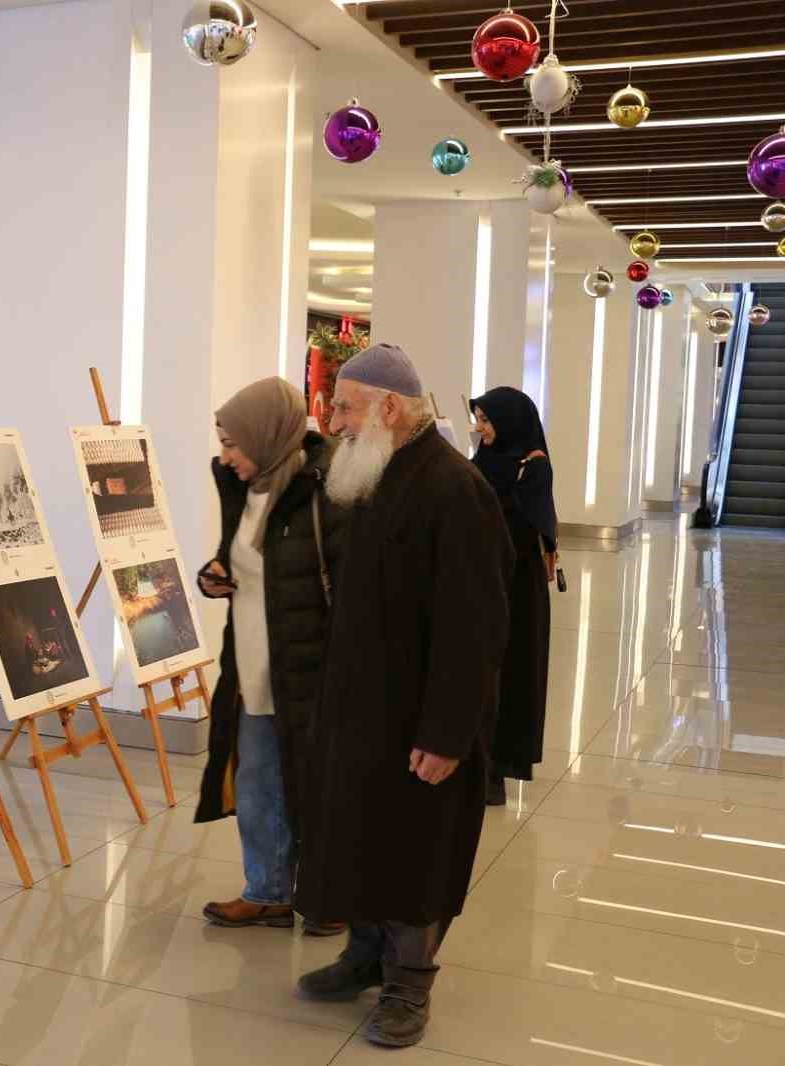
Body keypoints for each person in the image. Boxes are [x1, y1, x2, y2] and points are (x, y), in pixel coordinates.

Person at [295, 344, 513, 1048]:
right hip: (361, 710)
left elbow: (473, 629)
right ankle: (364, 956)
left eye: (347, 408)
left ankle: (407, 985)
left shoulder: (455, 490)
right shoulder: (380, 472)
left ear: (390, 408)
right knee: (358, 835)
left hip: (422, 718)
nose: (334, 422)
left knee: (416, 850)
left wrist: (448, 734)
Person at [194, 377, 349, 937]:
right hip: (253, 664)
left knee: (315, 784)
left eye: (232, 442)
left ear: (265, 433)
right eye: (221, 441)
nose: (224, 454)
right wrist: (214, 575)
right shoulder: (244, 489)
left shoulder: (325, 487)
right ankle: (267, 892)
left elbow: (345, 583)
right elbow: (239, 560)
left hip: (309, 668)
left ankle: (327, 896)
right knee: (258, 781)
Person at [470, 387, 558, 805]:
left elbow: (525, 526)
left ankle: (496, 770)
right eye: (480, 419)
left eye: (486, 421)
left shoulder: (534, 467)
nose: (480, 428)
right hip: (484, 582)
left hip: (516, 591)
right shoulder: (482, 461)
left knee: (509, 674)